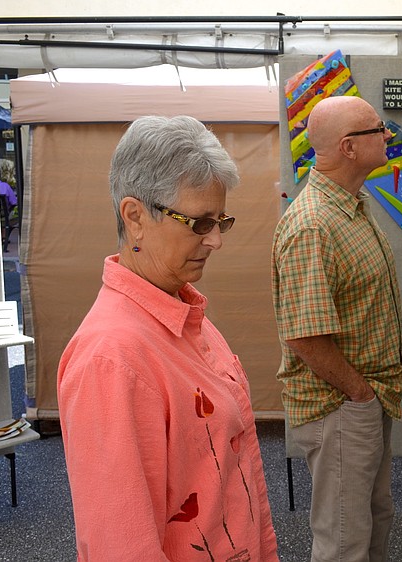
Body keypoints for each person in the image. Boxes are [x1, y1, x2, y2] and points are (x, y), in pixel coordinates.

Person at [58, 115, 279, 562]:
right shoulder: (111, 358)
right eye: (199, 223)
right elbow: (121, 548)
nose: (215, 241)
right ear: (135, 217)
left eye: (220, 221)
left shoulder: (179, 311)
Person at [271, 95, 402, 562]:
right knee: (344, 541)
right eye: (378, 128)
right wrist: (361, 395)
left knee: (373, 519)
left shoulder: (350, 207)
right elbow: (305, 337)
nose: (387, 134)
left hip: (363, 400)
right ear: (349, 147)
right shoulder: (313, 225)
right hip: (341, 406)